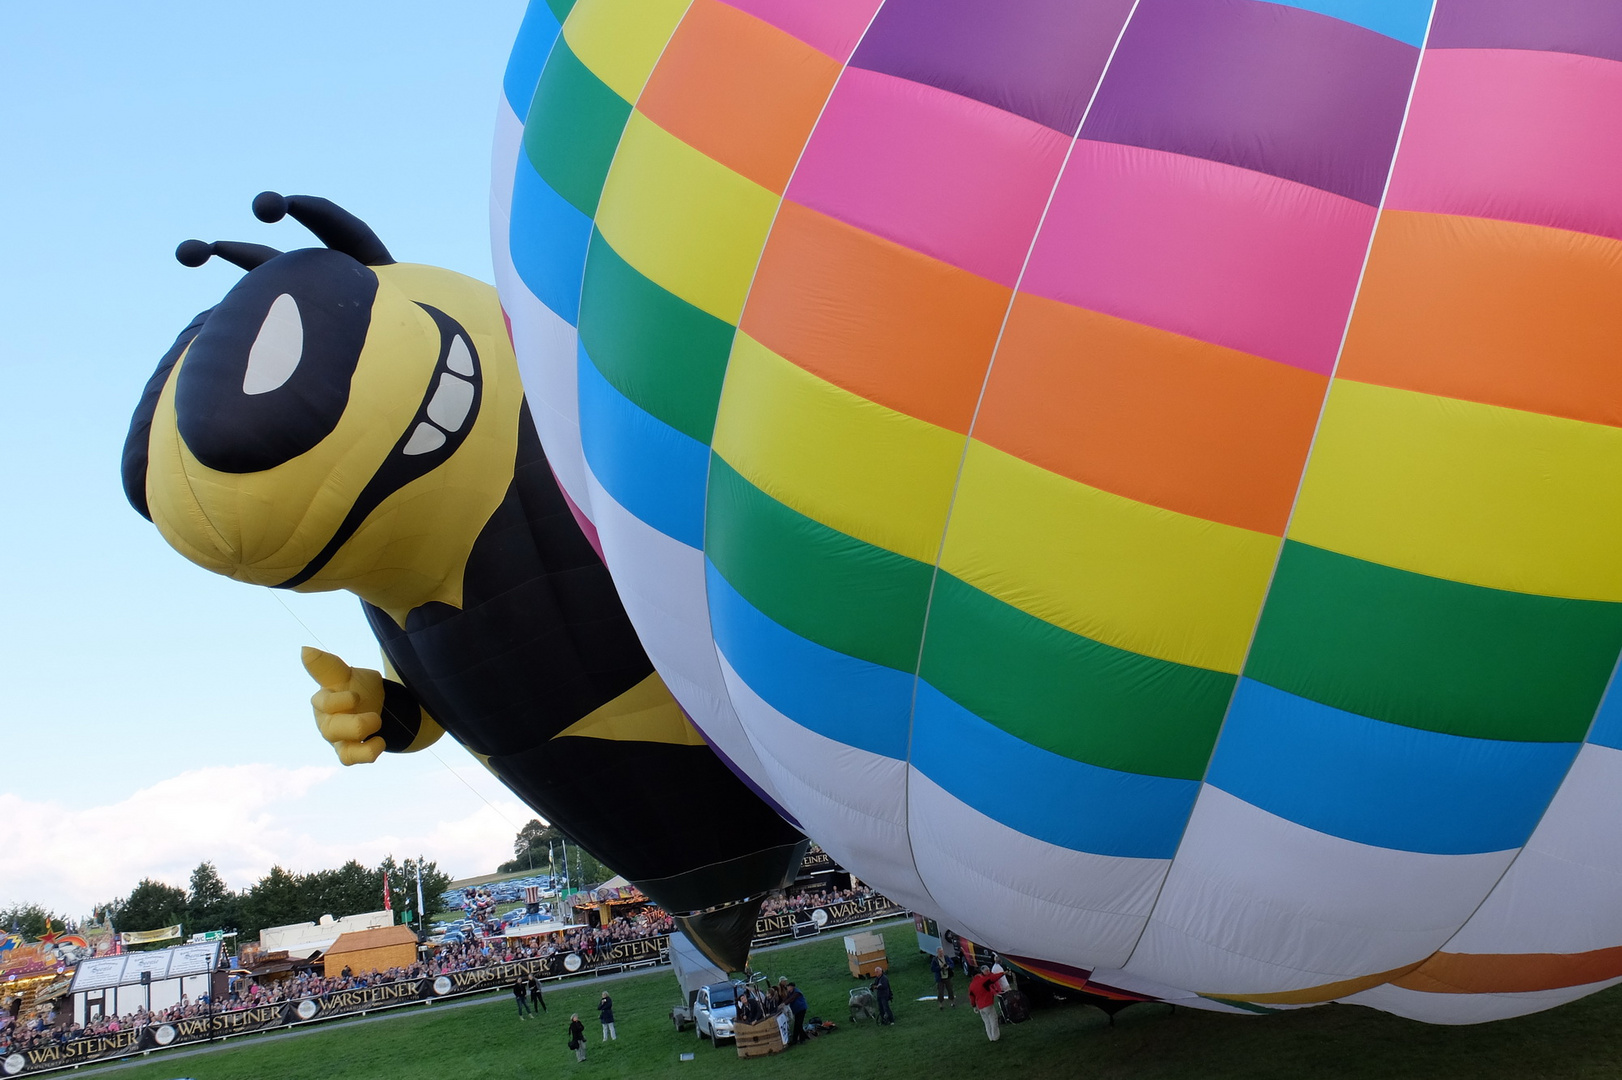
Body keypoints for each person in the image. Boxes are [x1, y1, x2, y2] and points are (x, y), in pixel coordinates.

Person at [969, 965, 1001, 1042]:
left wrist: (974, 1006)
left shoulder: (971, 986)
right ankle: (995, 1036)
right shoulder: (983, 980)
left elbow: (972, 997)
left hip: (980, 1006)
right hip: (987, 1004)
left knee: (987, 1022)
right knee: (993, 1019)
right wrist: (1003, 973)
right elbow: (993, 978)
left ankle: (990, 1037)